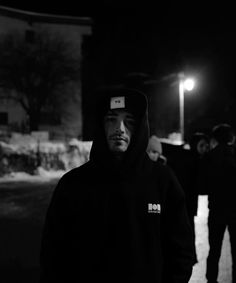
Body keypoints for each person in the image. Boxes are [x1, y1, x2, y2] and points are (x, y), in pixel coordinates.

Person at [40, 87, 194, 283]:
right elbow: (53, 254)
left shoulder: (162, 181)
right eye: (111, 119)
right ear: (100, 125)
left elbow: (181, 251)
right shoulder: (73, 185)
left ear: (140, 127)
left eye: (129, 122)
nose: (119, 129)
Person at [204, 123, 236, 283]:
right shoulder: (234, 155)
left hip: (216, 209)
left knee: (214, 250)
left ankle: (211, 280)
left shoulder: (210, 157)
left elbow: (203, 183)